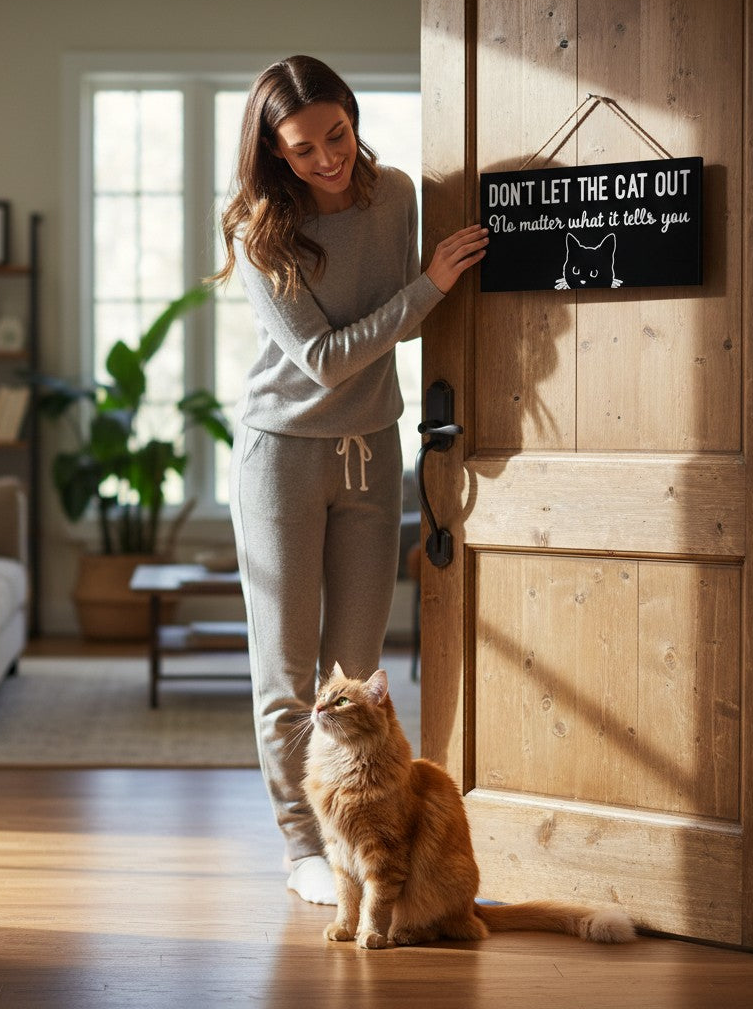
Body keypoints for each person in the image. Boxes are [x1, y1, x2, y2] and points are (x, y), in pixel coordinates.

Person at [211, 55, 488, 905]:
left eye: (336, 134)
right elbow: (327, 360)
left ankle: (353, 837)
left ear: (353, 118)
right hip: (282, 457)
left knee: (359, 673)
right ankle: (302, 848)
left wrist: (433, 289)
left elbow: (395, 323)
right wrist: (430, 286)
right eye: (303, 149)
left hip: (371, 449)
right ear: (274, 151)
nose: (328, 157)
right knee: (288, 673)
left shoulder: (396, 196)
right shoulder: (258, 234)